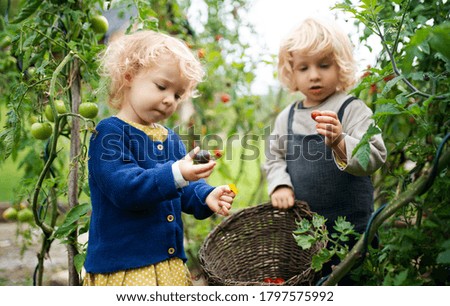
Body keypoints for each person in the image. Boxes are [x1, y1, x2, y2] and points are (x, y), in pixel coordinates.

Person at [83, 30, 235, 286]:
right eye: (162, 87)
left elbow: (183, 189)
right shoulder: (109, 134)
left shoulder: (170, 138)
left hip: (168, 267)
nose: (169, 100)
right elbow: (125, 188)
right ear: (129, 77)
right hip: (126, 269)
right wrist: (177, 174)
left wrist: (205, 195)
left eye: (177, 95)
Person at [264, 18, 387, 282]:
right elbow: (274, 157)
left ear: (340, 66)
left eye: (324, 65)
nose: (314, 75)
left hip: (351, 234)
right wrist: (280, 185)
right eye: (303, 67)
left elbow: (375, 155)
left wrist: (340, 141)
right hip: (305, 239)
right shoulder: (286, 117)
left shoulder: (352, 109)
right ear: (292, 73)